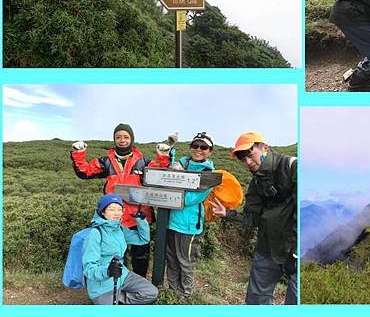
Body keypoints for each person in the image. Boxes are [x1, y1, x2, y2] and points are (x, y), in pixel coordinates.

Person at [70, 123, 171, 277]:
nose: (122, 140)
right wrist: (79, 153)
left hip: (138, 219)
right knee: (114, 256)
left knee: (140, 257)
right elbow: (85, 171)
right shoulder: (106, 161)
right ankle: (115, 287)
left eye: (126, 137)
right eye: (118, 137)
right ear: (114, 139)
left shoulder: (143, 162)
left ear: (132, 139)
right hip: (113, 219)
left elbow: (161, 174)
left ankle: (139, 284)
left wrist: (163, 156)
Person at [210, 131, 297, 305]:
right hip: (267, 249)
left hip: (295, 251)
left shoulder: (291, 167)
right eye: (243, 159)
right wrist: (228, 214)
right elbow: (253, 219)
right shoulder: (256, 183)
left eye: (250, 155)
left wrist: (296, 250)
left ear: (264, 148)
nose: (247, 163)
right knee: (255, 301)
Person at [166, 132, 216, 299]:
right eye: (195, 145)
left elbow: (188, 199)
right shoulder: (183, 162)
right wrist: (170, 148)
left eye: (204, 147)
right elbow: (167, 171)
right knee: (172, 260)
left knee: (185, 262)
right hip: (171, 221)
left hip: (189, 227)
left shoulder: (209, 174)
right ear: (190, 148)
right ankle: (173, 293)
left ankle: (185, 295)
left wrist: (176, 182)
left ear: (210, 151)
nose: (198, 149)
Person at [83, 194, 158, 305]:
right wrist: (107, 271)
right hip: (102, 286)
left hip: (122, 276)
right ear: (102, 212)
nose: (116, 213)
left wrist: (141, 221)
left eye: (119, 209)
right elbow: (89, 268)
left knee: (151, 292)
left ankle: (120, 298)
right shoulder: (95, 233)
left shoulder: (120, 229)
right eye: (111, 209)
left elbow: (142, 239)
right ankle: (115, 299)